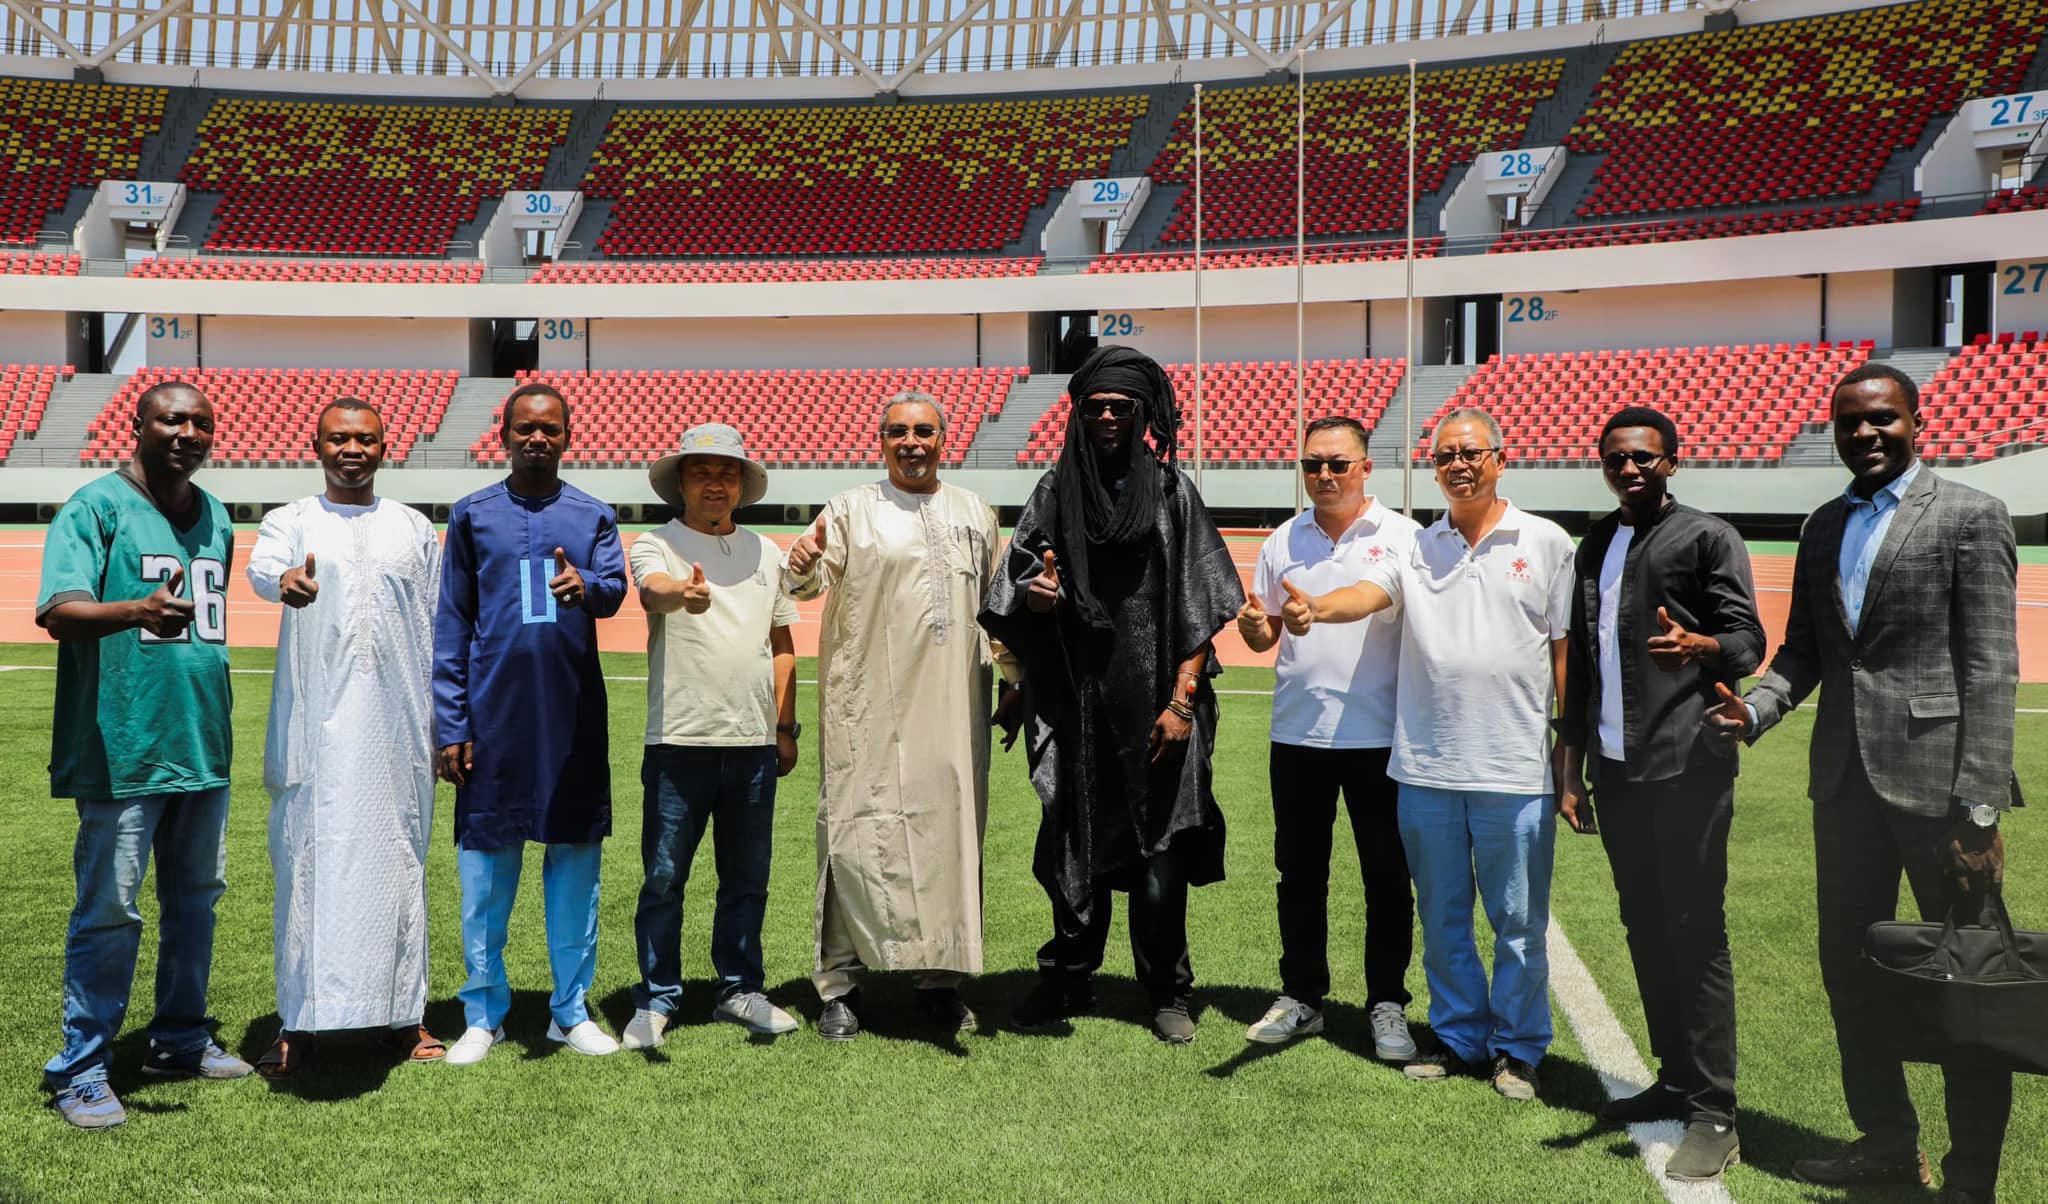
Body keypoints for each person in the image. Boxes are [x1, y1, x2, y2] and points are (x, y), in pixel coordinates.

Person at [1705, 363, 2021, 1202]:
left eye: (1881, 419)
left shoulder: (1969, 514)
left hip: (1945, 799)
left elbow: (1993, 667)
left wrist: (1982, 806)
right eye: (1849, 423)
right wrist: (1757, 709)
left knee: (1972, 986)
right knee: (1853, 973)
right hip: (1844, 789)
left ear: (1919, 420)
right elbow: (1805, 650)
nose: (1865, 434)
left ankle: (1971, 1177)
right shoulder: (1822, 525)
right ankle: (1887, 1141)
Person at [1281, 407, 1573, 1100]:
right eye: (1444, 456)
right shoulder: (1414, 545)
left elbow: (1566, 655)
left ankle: (1519, 1048)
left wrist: (1571, 758)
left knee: (1518, 924)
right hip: (1426, 769)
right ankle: (1458, 1036)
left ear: (1501, 459)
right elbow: (1366, 593)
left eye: (1471, 453)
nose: (1458, 465)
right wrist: (1317, 609)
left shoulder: (1548, 541)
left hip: (1515, 767)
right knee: (1443, 919)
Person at [980, 345, 1242, 1044]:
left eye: (1120, 407)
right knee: (1074, 840)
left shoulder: (1171, 492)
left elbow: (1200, 601)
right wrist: (1038, 599)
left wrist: (1183, 700)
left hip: (1160, 701)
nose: (1105, 417)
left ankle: (1165, 991)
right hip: (1077, 702)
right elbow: (1015, 592)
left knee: (1161, 851)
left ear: (1142, 413)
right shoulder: (1054, 491)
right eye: (1094, 406)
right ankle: (1067, 975)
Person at [1556, 406, 1763, 1182]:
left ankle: (1715, 1111)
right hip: (1616, 769)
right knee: (1644, 926)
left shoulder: (1708, 536)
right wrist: (1570, 765)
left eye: (1644, 457)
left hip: (1687, 769)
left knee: (1695, 931)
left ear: (1672, 462)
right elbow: (1581, 662)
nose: (1630, 468)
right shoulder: (1596, 543)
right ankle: (1673, 1078)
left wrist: (1701, 645)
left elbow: (1749, 641)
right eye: (1616, 458)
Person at [38, 380, 251, 1129]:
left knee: (195, 905)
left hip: (201, 744)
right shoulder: (95, 507)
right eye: (171, 419)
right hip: (122, 749)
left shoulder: (217, 514)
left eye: (201, 421)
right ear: (138, 424)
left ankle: (180, 1040)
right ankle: (82, 1066)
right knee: (110, 911)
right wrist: (134, 609)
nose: (186, 432)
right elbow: (59, 613)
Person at [783, 389, 1004, 1040]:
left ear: (945, 439)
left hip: (954, 709)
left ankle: (939, 983)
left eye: (924, 431)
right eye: (898, 431)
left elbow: (998, 608)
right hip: (866, 709)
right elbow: (805, 582)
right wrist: (798, 568)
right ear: (879, 440)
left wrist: (1014, 680)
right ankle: (839, 986)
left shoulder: (976, 513)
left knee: (948, 838)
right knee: (852, 835)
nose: (911, 442)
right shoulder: (851, 511)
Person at [245, 399, 446, 1079]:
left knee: (401, 861)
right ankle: (299, 1021)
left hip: (401, 732)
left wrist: (447, 722)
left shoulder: (414, 528)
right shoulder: (290, 521)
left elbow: (438, 626)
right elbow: (265, 570)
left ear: (385, 447)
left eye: (365, 438)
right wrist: (286, 583)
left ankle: (402, 1015)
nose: (352, 449)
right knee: (308, 865)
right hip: (315, 730)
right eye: (339, 438)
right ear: (317, 445)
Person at [433, 382, 628, 1065]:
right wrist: (452, 724)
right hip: (492, 723)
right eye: (525, 428)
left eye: (550, 429)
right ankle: (482, 1012)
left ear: (568, 436)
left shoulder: (594, 515)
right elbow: (452, 625)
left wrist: (589, 589)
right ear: (504, 435)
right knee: (486, 874)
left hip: (571, 725)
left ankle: (568, 1011)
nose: (536, 439)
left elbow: (613, 589)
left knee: (575, 868)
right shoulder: (471, 517)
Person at [1235, 416, 1421, 1058]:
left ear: (1367, 468)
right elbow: (1267, 635)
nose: (1324, 475)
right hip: (1298, 734)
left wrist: (1317, 608)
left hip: (1382, 737)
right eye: (1313, 464)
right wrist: (1259, 627)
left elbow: (1369, 596)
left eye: (1338, 464)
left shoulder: (1405, 536)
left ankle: (1388, 1002)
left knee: (1388, 878)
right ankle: (1303, 997)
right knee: (1299, 874)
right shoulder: (1284, 538)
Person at [622, 424, 802, 1048]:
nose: (716, 482)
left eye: (727, 472)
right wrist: (683, 593)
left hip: (753, 744)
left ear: (742, 485)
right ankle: (657, 998)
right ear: (680, 482)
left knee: (747, 879)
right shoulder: (656, 543)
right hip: (678, 741)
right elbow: (652, 591)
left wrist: (784, 726)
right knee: (664, 878)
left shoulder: (767, 552)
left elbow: (782, 644)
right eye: (702, 470)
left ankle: (740, 989)